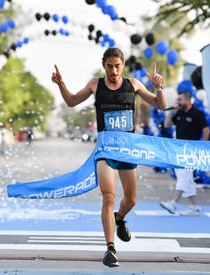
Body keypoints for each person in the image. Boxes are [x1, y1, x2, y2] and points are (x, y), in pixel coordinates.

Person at [51, 47, 166, 268]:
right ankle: (110, 249)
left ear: (123, 65)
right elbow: (72, 102)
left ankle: (120, 218)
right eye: (109, 66)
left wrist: (158, 86)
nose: (113, 71)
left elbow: (160, 104)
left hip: (127, 149)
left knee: (131, 200)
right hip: (105, 149)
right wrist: (61, 84)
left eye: (117, 66)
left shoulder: (133, 84)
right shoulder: (96, 84)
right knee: (108, 196)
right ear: (104, 65)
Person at [159, 89, 210, 216]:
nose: (178, 101)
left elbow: (206, 130)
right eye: (177, 99)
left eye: (180, 99)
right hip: (179, 150)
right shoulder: (180, 113)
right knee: (187, 179)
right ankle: (193, 207)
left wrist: (203, 147)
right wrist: (172, 111)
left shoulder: (197, 114)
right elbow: (166, 125)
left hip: (191, 151)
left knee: (184, 176)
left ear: (188, 100)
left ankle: (173, 203)